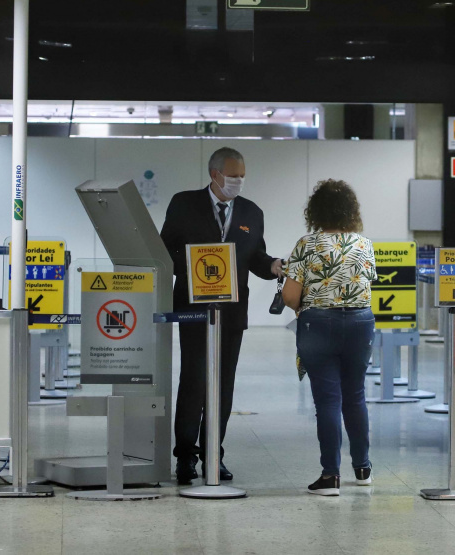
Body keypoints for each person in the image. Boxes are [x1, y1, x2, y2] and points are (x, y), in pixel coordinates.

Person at [161, 147, 283, 485]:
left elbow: (255, 256)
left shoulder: (251, 212)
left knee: (223, 387)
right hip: (194, 311)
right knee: (195, 381)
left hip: (231, 313)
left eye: (242, 175)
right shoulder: (184, 204)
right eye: (233, 175)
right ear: (215, 174)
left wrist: (272, 266)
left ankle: (214, 453)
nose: (239, 181)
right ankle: (185, 456)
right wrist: (192, 266)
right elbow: (164, 249)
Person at [282, 179, 377, 496]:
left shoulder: (307, 245)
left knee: (328, 401)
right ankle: (363, 469)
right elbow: (366, 286)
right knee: (355, 396)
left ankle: (330, 476)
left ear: (316, 210)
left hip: (319, 324)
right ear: (351, 210)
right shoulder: (364, 244)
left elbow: (290, 297)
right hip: (361, 324)